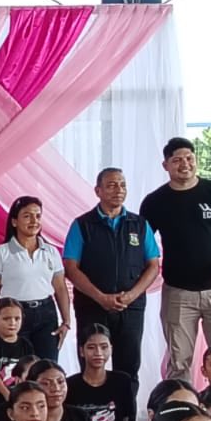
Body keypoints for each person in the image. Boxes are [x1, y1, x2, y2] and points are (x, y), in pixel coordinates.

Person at [140, 138, 211, 381]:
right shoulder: (154, 201)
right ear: (165, 165)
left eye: (189, 158)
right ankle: (179, 403)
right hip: (178, 293)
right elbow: (143, 245)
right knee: (179, 361)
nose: (185, 164)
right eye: (177, 160)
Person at [62, 168, 160, 401]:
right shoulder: (82, 225)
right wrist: (100, 297)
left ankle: (125, 420)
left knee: (128, 367)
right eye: (112, 185)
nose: (119, 190)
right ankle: (90, 417)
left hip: (130, 308)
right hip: (92, 306)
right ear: (98, 191)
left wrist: (132, 295)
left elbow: (153, 266)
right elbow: (71, 268)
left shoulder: (139, 224)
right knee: (92, 364)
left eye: (122, 185)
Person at [0, 196, 71, 361]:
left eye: (38, 216)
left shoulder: (50, 252)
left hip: (46, 314)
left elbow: (60, 288)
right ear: (14, 221)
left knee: (47, 366)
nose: (34, 221)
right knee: (18, 367)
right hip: (14, 315)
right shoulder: (1, 252)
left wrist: (66, 321)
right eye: (27, 216)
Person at [66, 325, 137, 421]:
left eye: (104, 347)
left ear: (111, 349)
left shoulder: (122, 381)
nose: (98, 353)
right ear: (81, 351)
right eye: (91, 347)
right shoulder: (69, 386)